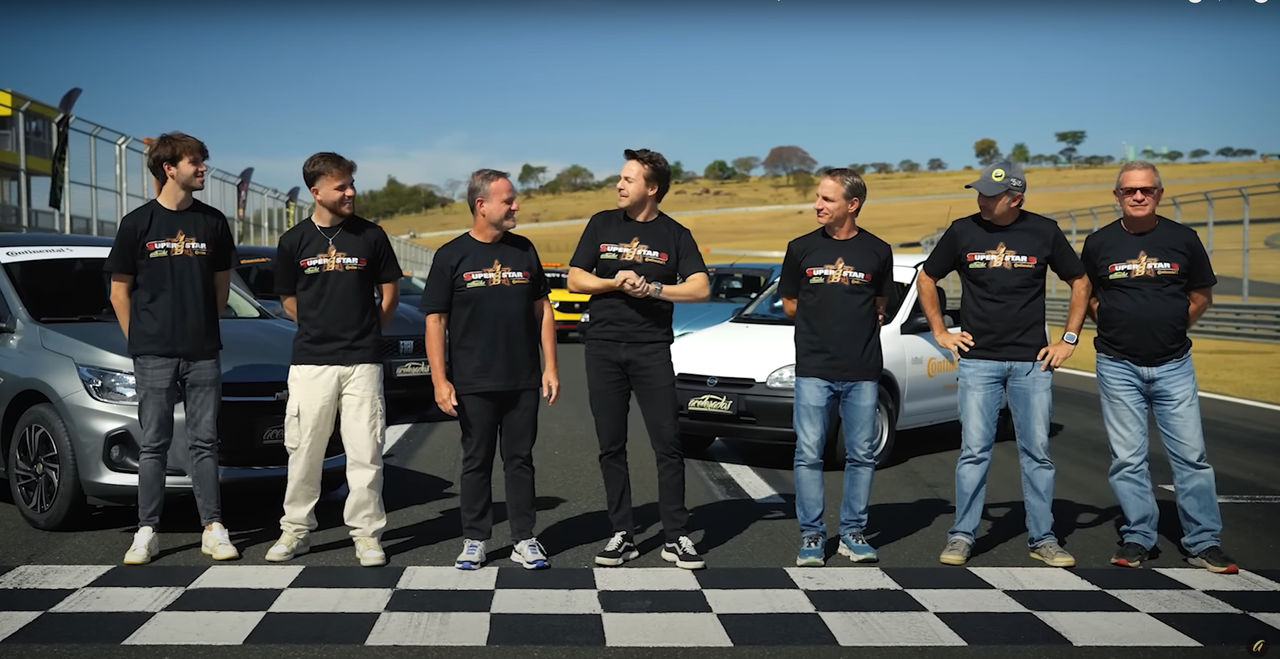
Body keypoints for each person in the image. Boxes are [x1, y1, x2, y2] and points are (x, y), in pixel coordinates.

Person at [916, 159, 1089, 567]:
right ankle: (961, 535)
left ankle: (1043, 538)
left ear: (1016, 198)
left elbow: (1080, 281)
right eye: (979, 191)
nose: (981, 199)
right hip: (978, 363)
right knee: (974, 452)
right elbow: (927, 278)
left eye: (990, 195)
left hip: (1032, 364)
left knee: (1038, 453)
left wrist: (1068, 339)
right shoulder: (962, 230)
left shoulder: (1043, 231)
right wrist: (942, 331)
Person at [1081, 161, 1237, 573]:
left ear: (1159, 194)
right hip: (1117, 364)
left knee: (1191, 457)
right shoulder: (1098, 243)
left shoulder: (1183, 239)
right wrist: (1117, 324)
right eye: (1130, 190)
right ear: (1117, 195)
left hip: (1173, 364)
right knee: (1127, 458)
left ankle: (1204, 541)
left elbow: (1201, 294)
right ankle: (1138, 537)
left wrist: (1171, 324)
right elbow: (1090, 297)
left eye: (1146, 190)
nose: (1138, 196)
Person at [568, 148, 710, 569]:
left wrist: (653, 290)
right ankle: (622, 534)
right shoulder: (601, 224)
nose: (619, 184)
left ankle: (675, 535)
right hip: (604, 348)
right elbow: (576, 278)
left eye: (629, 179)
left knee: (667, 443)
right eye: (620, 177)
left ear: (652, 188)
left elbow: (700, 287)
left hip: (651, 349)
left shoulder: (676, 234)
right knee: (611, 445)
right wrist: (614, 282)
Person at [105, 132, 239, 565]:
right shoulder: (137, 223)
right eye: (195, 162)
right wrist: (139, 341)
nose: (203, 169)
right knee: (154, 444)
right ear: (169, 169)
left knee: (205, 442)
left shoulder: (213, 222)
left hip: (203, 351)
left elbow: (220, 292)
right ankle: (147, 530)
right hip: (153, 354)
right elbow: (119, 291)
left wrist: (198, 326)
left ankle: (213, 527)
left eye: (203, 160)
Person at [266, 152, 402, 567]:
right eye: (341, 186)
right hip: (311, 362)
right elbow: (288, 298)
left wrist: (367, 329)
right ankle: (296, 531)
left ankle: (366, 535)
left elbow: (390, 291)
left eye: (351, 185)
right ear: (316, 191)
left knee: (366, 452)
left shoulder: (371, 236)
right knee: (304, 451)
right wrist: (317, 327)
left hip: (362, 361)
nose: (350, 193)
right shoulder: (293, 241)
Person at [421, 169, 560, 570]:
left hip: (522, 378)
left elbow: (543, 310)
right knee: (476, 460)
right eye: (508, 200)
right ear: (482, 205)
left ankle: (524, 538)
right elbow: (435, 321)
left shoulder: (524, 250)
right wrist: (439, 379)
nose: (516, 206)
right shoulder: (451, 255)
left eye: (514, 199)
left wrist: (550, 366)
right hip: (473, 380)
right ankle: (475, 538)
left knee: (520, 459)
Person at [779, 168, 893, 567]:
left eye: (827, 199)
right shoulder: (800, 248)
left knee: (861, 454)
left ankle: (852, 532)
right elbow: (791, 303)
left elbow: (880, 306)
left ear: (852, 204)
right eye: (818, 197)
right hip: (813, 368)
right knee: (808, 453)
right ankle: (812, 536)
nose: (817, 205)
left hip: (862, 370)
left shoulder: (879, 251)